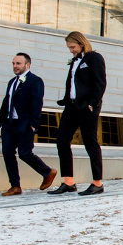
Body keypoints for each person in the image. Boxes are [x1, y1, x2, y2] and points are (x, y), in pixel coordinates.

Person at [49, 31, 107, 196]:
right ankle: (68, 182)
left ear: (81, 43)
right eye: (69, 47)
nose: (71, 50)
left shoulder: (94, 58)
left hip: (87, 107)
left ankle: (97, 183)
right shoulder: (75, 61)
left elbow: (100, 83)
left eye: (72, 47)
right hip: (72, 106)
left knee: (90, 142)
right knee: (62, 140)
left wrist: (92, 104)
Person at [0, 53, 57, 196]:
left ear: (27, 65)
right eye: (13, 63)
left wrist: (34, 123)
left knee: (25, 153)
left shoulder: (35, 81)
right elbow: (7, 101)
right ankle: (15, 186)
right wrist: (1, 120)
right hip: (9, 124)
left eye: (18, 63)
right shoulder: (12, 82)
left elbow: (37, 102)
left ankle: (47, 172)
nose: (15, 66)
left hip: (25, 123)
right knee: (7, 153)